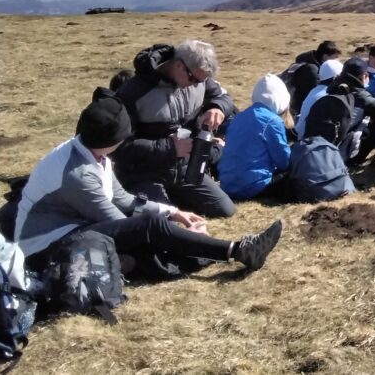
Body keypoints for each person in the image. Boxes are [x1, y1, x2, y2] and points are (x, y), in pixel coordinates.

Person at [15, 89, 282, 272]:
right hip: (45, 251)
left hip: (72, 232)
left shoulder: (91, 153)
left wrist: (173, 212)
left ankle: (201, 253)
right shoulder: (78, 175)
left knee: (153, 238)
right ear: (115, 141)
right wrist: (172, 227)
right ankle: (236, 251)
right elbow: (125, 225)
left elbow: (123, 199)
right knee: (151, 233)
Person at [113, 40, 236, 218]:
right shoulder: (134, 92)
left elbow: (222, 96)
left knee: (225, 209)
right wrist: (170, 148)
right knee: (163, 224)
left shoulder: (199, 80)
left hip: (184, 169)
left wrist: (217, 107)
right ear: (178, 65)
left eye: (201, 81)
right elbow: (119, 147)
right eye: (193, 79)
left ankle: (172, 199)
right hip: (145, 173)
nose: (196, 85)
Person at [217, 74, 292, 200]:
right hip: (253, 187)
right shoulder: (272, 121)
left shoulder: (239, 117)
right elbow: (284, 162)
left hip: (228, 185)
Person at [295, 59, 344, 139]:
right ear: (335, 77)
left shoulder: (316, 90)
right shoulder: (326, 96)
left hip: (300, 135)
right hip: (307, 139)